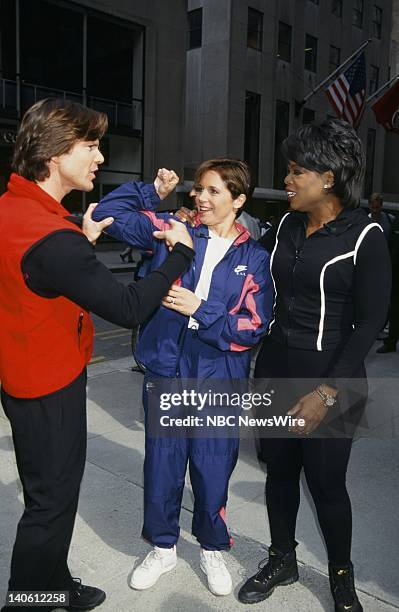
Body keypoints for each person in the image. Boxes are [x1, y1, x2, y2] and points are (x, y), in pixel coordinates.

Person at [0, 98, 194, 612]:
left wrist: (79, 242)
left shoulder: (15, 211)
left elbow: (35, 276)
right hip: (49, 384)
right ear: (55, 151)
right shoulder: (52, 239)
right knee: (50, 504)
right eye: (91, 146)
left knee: (51, 496)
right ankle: (30, 601)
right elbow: (130, 307)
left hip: (23, 376)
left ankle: (56, 584)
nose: (100, 157)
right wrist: (179, 253)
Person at [93, 158, 273, 597]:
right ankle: (162, 547)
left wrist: (201, 309)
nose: (200, 197)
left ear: (238, 200)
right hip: (168, 365)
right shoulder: (176, 232)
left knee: (213, 465)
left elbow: (254, 326)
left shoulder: (254, 257)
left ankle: (212, 547)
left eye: (213, 191)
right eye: (198, 190)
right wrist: (151, 193)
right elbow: (103, 214)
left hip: (219, 371)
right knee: (163, 463)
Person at [237, 119, 391, 612]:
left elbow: (369, 324)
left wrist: (326, 393)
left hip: (333, 375)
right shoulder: (284, 225)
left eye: (295, 170)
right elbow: (246, 271)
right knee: (279, 471)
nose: (286, 180)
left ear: (328, 177)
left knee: (326, 484)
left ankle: (342, 577)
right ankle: (283, 558)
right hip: (276, 365)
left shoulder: (367, 234)